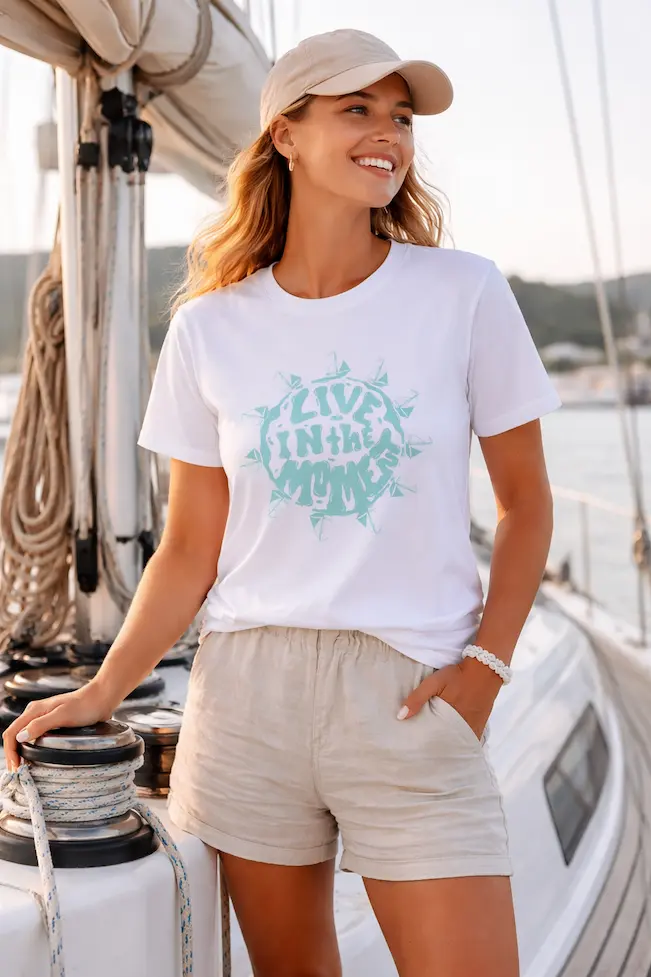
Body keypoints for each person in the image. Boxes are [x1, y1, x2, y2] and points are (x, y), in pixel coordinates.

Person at [3, 28, 561, 977]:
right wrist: (102, 690)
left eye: (400, 117)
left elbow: (525, 505)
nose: (388, 133)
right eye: (357, 110)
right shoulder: (209, 328)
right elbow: (188, 548)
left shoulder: (462, 293)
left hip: (408, 689)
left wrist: (484, 672)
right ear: (287, 135)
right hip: (247, 696)